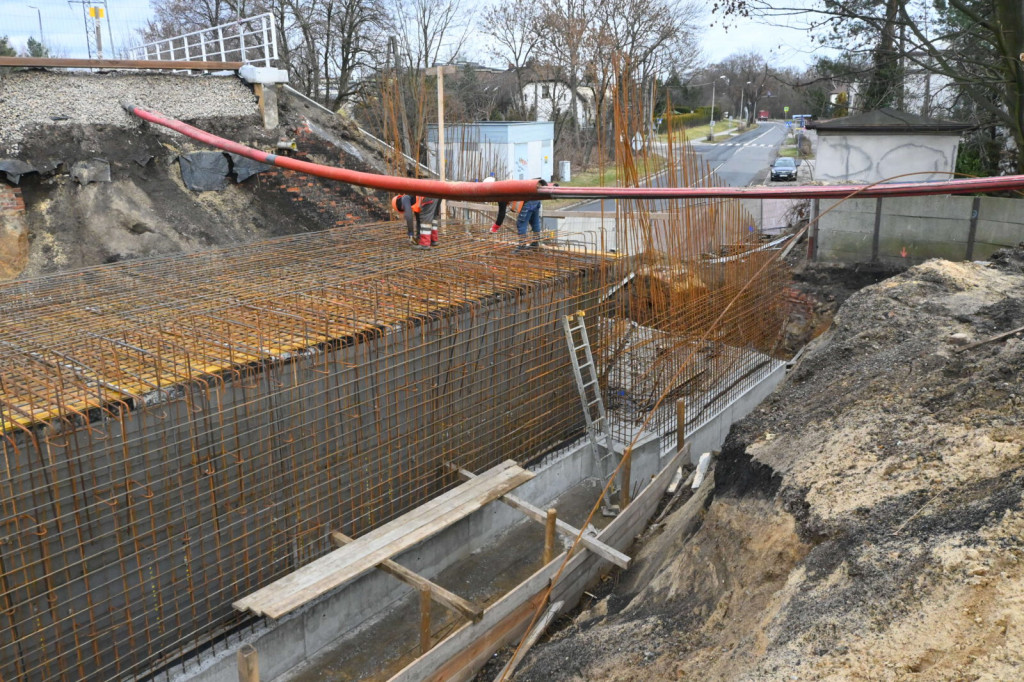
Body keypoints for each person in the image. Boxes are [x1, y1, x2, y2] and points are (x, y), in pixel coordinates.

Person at [515, 178, 548, 247]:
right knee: (535, 222)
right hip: (536, 201)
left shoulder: (502, 192)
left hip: (529, 202)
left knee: (521, 224)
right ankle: (535, 243)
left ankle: (522, 246)